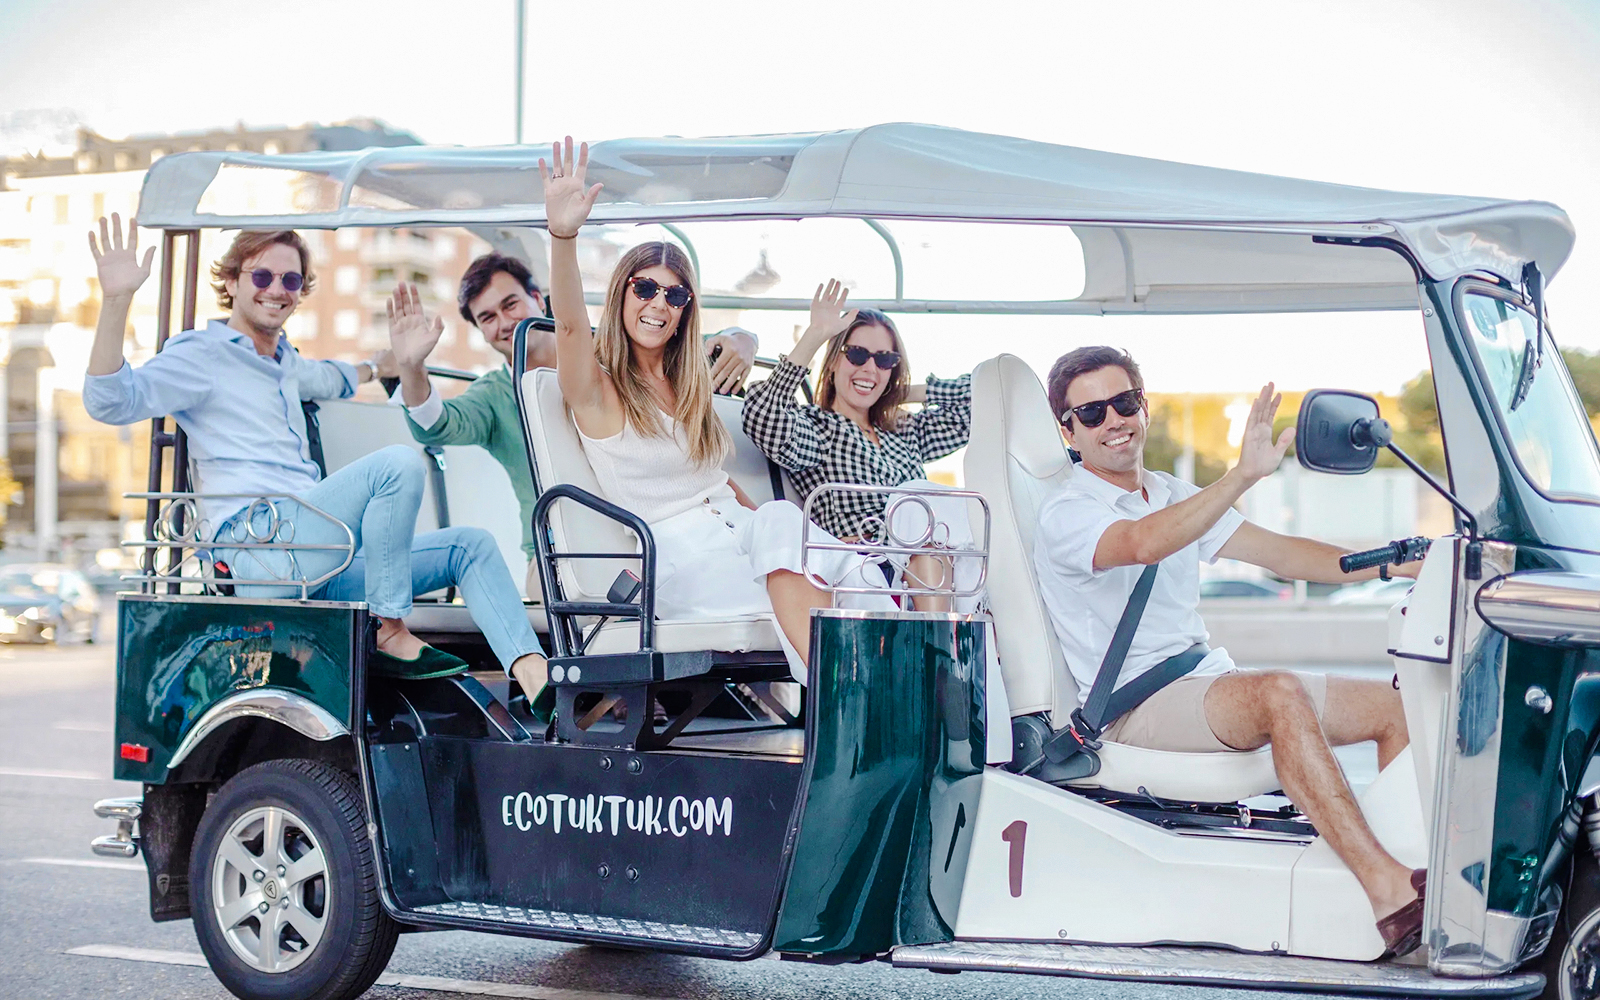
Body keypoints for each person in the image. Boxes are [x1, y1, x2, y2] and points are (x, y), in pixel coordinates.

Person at [1032, 344, 1425, 956]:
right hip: (1137, 707)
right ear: (1068, 430)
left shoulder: (1167, 490)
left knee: (1396, 709)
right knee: (1279, 694)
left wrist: (1395, 561)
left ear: (1144, 406)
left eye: (1125, 402)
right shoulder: (1067, 513)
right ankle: (1387, 893)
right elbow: (1141, 543)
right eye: (1091, 413)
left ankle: (1404, 874)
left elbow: (1285, 553)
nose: (1113, 420)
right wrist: (1240, 475)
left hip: (1204, 680)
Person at [81, 214, 548, 693]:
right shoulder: (201, 354)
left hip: (321, 559)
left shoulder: (286, 363)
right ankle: (388, 628)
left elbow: (337, 377)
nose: (276, 290)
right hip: (261, 550)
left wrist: (387, 365)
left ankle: (534, 677)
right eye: (261, 276)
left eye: (291, 280)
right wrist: (116, 300)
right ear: (231, 281)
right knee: (397, 465)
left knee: (471, 545)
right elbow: (110, 400)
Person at [540, 138, 890, 676]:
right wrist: (563, 237)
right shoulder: (599, 391)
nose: (659, 303)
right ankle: (849, 701)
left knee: (850, 565)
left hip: (743, 540)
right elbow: (567, 326)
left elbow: (722, 488)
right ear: (622, 296)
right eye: (645, 289)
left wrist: (745, 335)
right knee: (809, 564)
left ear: (685, 312)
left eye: (675, 296)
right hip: (680, 564)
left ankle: (920, 714)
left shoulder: (691, 387)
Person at [384, 253, 761, 598]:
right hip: (559, 554)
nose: (504, 323)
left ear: (539, 299)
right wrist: (411, 367)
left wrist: (742, 337)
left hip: (653, 535)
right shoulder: (493, 396)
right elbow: (433, 425)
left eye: (511, 304)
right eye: (488, 318)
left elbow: (679, 342)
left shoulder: (611, 350)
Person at [742, 279, 974, 608]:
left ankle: (942, 643)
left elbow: (983, 403)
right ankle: (938, 647)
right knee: (924, 506)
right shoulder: (818, 428)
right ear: (835, 360)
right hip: (868, 574)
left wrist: (901, 390)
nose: (869, 367)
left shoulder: (904, 429)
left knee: (932, 521)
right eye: (858, 355)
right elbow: (763, 416)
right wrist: (815, 335)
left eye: (884, 360)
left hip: (932, 566)